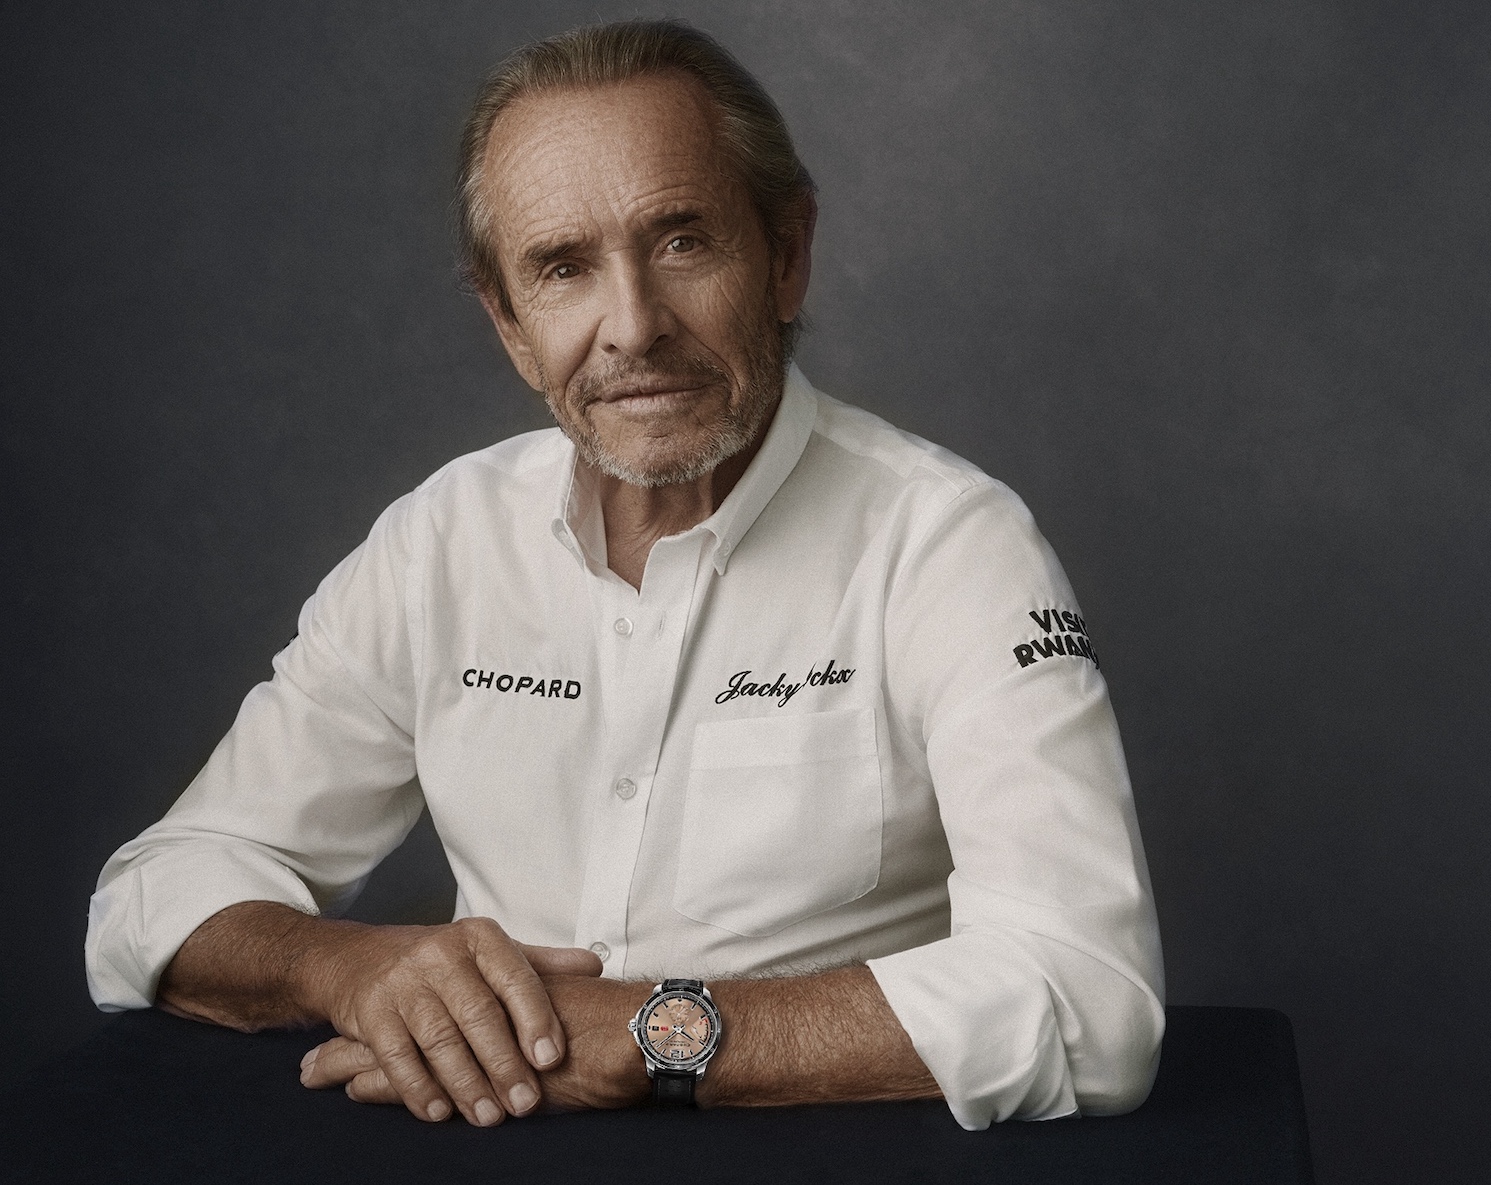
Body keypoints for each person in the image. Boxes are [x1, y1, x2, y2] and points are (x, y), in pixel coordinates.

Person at [84, 20, 1163, 1132]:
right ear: (509, 322)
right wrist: (348, 969)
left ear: (786, 255)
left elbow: (1091, 1000)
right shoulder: (441, 542)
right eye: (563, 269)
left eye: (683, 242)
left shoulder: (949, 544)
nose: (634, 327)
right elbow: (153, 894)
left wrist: (655, 1032)